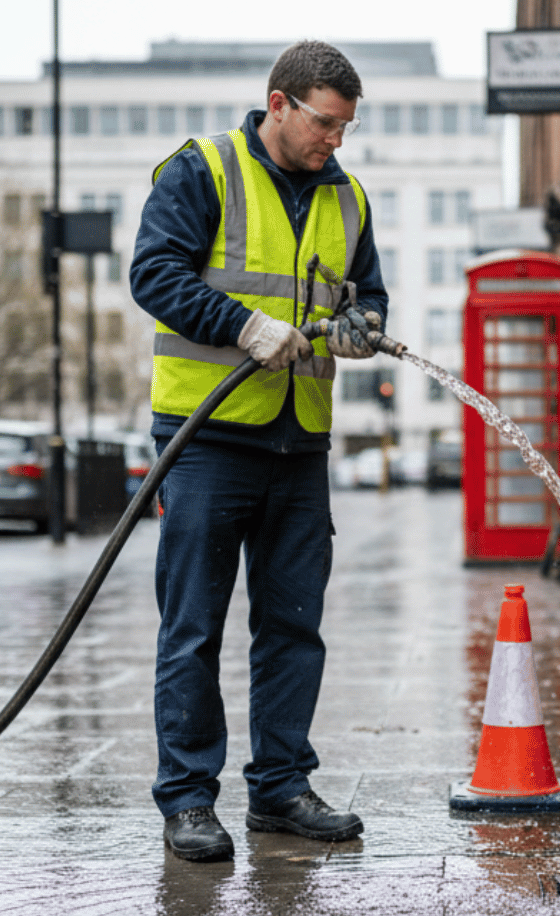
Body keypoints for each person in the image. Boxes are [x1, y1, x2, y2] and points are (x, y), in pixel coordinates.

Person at [128, 41, 387, 862]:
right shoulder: (204, 171)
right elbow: (154, 274)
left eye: (346, 127)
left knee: (293, 627)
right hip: (207, 442)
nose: (334, 142)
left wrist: (361, 329)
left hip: (299, 442)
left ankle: (280, 788)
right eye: (324, 123)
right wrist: (242, 324)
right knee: (194, 627)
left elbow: (369, 294)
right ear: (278, 104)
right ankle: (187, 801)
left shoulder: (348, 200)